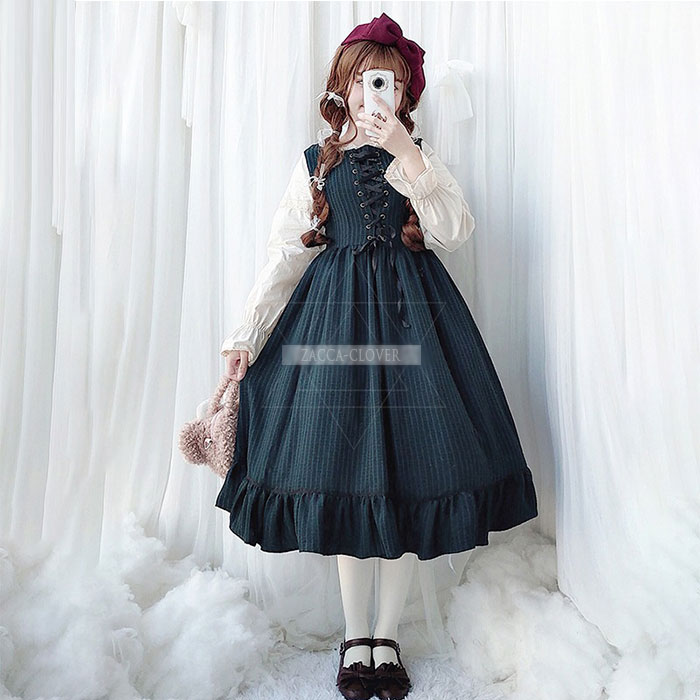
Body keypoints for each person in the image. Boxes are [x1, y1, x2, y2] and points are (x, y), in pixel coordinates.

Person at [215, 12, 538, 700]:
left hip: (417, 329)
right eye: (362, 81)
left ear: (404, 92)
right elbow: (285, 253)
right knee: (344, 476)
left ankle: (386, 637)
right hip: (334, 326)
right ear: (343, 86)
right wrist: (245, 334)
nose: (372, 94)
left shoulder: (419, 158)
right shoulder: (318, 163)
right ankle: (354, 635)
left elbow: (454, 228)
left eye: (385, 82)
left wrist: (408, 155)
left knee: (410, 477)